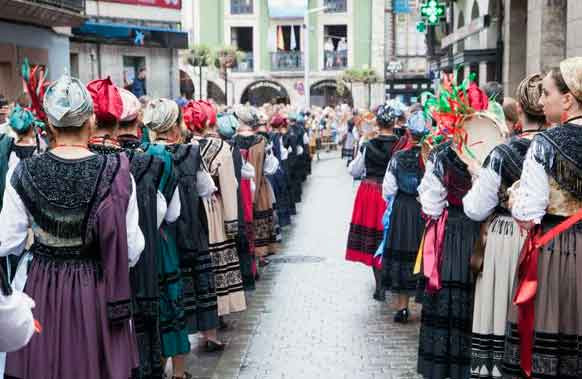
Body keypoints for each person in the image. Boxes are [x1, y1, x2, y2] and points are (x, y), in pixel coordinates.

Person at [0, 75, 144, 379]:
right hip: (98, 291)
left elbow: (6, 241)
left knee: (42, 364)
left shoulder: (23, 171)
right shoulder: (118, 171)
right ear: (90, 120)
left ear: (50, 125)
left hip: (42, 288)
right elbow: (131, 249)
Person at [463, 73, 546, 379]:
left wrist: (476, 177)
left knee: (501, 310)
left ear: (519, 114)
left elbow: (475, 208)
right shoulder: (558, 148)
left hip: (507, 236)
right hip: (549, 237)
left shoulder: (502, 153)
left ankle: (500, 367)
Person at [503, 58, 582, 379]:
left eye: (547, 93)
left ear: (567, 99)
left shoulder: (546, 144)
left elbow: (528, 212)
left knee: (554, 339)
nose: (541, 100)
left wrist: (514, 196)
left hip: (559, 251)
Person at [416, 89, 482, 379]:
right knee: (477, 298)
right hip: (481, 234)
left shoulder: (440, 154)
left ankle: (443, 365)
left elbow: (430, 205)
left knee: (447, 296)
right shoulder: (489, 150)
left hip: (452, 231)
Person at [183, 100, 247, 330]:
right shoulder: (222, 148)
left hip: (192, 210)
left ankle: (204, 313)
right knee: (218, 259)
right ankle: (218, 311)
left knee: (202, 261)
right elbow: (229, 187)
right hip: (216, 209)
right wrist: (232, 223)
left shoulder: (185, 146)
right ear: (210, 120)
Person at [346, 103, 402, 301]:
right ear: (394, 122)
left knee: (374, 238)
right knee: (392, 236)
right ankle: (390, 281)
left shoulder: (368, 145)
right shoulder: (402, 145)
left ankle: (379, 286)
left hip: (371, 192)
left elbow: (354, 170)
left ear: (378, 123)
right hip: (394, 194)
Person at [381, 110, 427, 322]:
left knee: (400, 254)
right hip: (423, 209)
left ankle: (402, 308)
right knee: (423, 254)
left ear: (409, 132)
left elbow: (388, 189)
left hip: (401, 208)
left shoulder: (398, 158)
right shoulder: (431, 156)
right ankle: (425, 306)